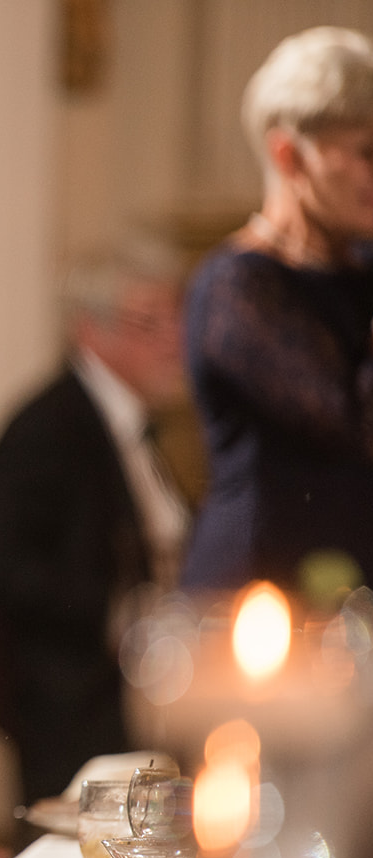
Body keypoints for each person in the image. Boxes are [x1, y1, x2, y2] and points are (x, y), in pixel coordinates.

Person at [0, 242, 191, 802]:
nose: (174, 341)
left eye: (177, 319)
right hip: (74, 702)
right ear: (90, 330)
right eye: (149, 323)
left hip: (146, 691)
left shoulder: (135, 425)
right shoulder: (50, 426)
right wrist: (114, 614)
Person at [182, 26, 373, 590]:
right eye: (367, 152)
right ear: (288, 155)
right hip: (264, 600)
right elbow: (357, 428)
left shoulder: (362, 271)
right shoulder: (237, 287)